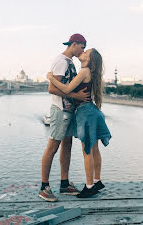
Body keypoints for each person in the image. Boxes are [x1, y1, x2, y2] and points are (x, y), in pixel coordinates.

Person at [47, 48, 111, 198]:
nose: (82, 53)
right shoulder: (91, 73)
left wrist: (51, 78)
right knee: (94, 149)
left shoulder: (84, 71)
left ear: (89, 60)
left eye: (85, 52)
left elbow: (67, 88)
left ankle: (89, 187)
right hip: (92, 111)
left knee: (87, 150)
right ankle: (97, 181)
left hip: (85, 113)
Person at [39, 33, 90, 202]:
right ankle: (44, 187)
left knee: (67, 145)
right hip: (60, 110)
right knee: (53, 146)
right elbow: (52, 88)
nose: (82, 51)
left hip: (68, 111)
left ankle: (64, 184)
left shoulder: (69, 62)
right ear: (74, 44)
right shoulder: (61, 61)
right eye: (82, 47)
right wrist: (77, 96)